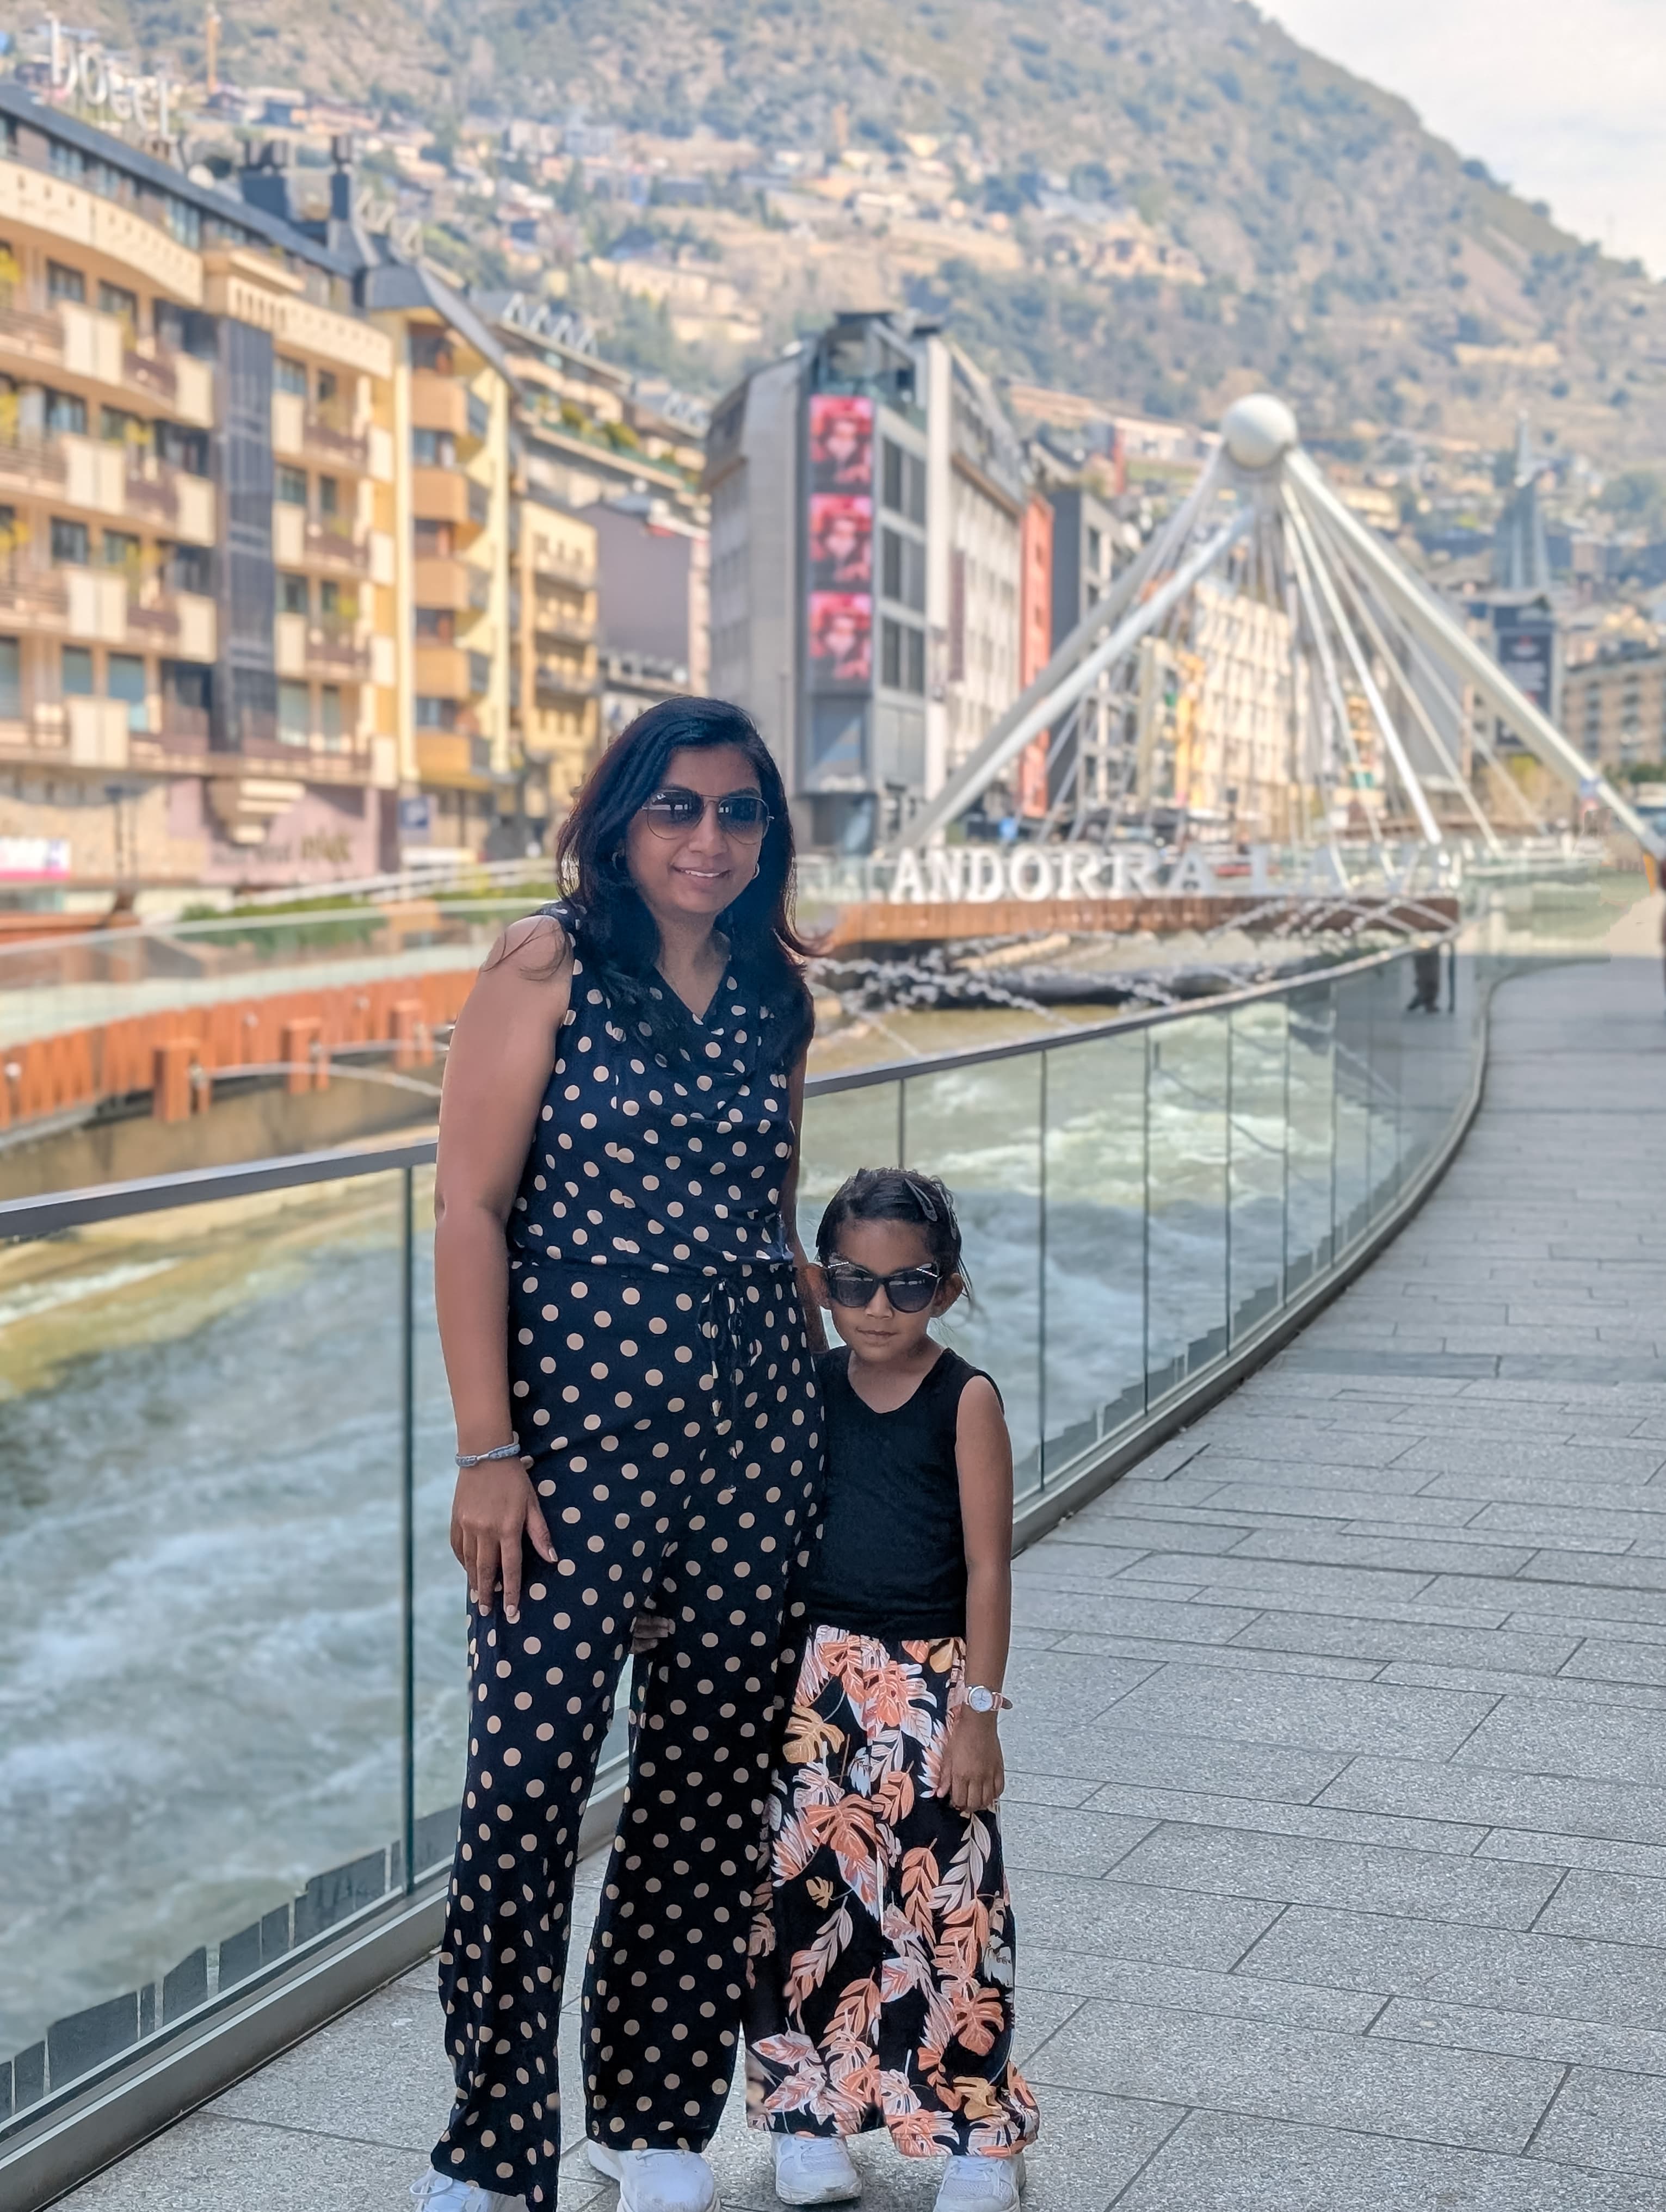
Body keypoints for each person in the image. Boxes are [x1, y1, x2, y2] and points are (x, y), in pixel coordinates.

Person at [414, 697, 827, 2212]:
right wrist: (486, 1449)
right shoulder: (545, 963)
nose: (708, 838)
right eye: (677, 807)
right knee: (522, 1789)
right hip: (570, 1441)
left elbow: (769, 1217)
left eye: (737, 811)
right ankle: (489, 2143)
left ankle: (648, 2118)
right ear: (620, 819)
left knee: (706, 1779)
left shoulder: (779, 994)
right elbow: (469, 1210)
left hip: (758, 1437)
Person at [742, 1169, 1038, 2209]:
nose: (877, 1307)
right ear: (820, 1284)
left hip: (930, 1680)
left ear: (946, 1289)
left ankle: (977, 2129)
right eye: (852, 1282)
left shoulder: (965, 1398)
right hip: (815, 1682)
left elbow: (989, 1566)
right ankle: (807, 2115)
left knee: (951, 1907)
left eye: (907, 1285)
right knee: (804, 1905)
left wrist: (979, 1715)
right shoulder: (808, 1384)